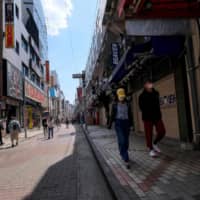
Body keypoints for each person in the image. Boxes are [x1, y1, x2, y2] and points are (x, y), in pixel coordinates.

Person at [139, 80, 166, 157]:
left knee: (162, 131)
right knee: (148, 134)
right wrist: (148, 110)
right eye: (147, 84)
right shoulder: (141, 96)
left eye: (150, 83)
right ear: (145, 86)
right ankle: (151, 149)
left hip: (157, 116)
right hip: (147, 117)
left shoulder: (156, 93)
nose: (150, 85)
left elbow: (157, 104)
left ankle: (155, 143)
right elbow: (141, 107)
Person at [109, 88, 133, 169]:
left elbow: (130, 114)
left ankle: (122, 152)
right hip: (118, 123)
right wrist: (109, 124)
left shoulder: (128, 104)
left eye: (123, 97)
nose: (122, 98)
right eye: (120, 97)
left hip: (126, 123)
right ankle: (126, 158)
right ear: (118, 96)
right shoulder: (115, 104)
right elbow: (112, 115)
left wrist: (132, 125)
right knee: (122, 140)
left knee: (125, 142)